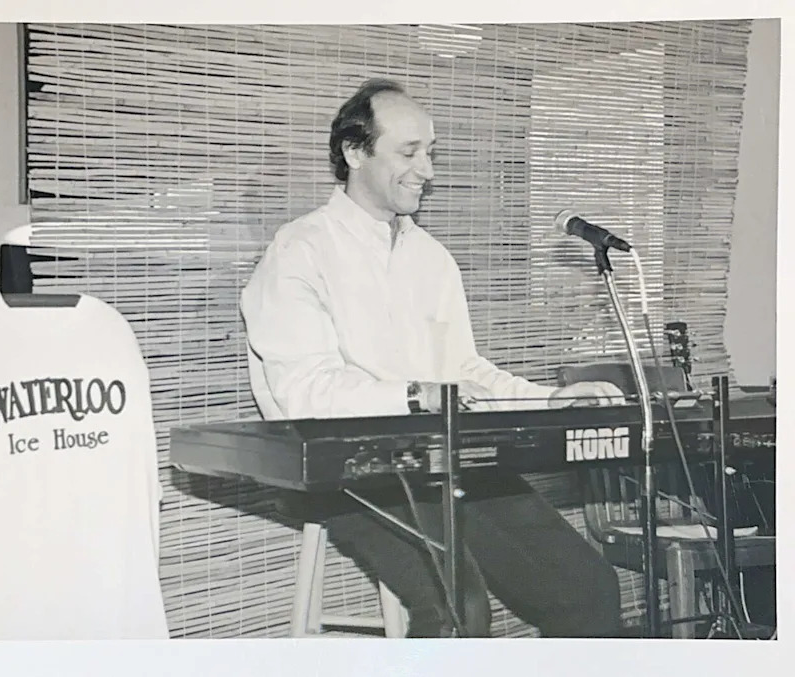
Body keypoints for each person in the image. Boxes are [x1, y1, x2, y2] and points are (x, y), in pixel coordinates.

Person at [240, 78, 625, 638]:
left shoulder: (432, 258)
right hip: (352, 473)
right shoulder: (299, 251)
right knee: (456, 612)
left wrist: (550, 399)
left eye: (431, 152)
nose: (429, 170)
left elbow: (464, 372)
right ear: (354, 152)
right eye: (409, 152)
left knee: (587, 587)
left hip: (450, 459)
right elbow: (305, 391)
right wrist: (415, 395)